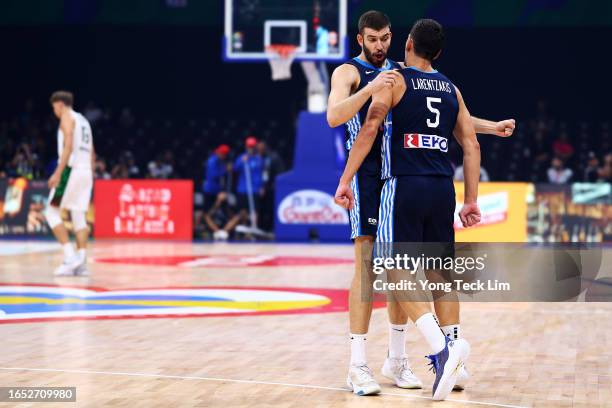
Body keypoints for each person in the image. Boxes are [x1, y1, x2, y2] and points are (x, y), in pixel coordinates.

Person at [326, 10, 515, 396]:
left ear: (397, 38)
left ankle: (397, 359)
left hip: (398, 175)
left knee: (404, 268)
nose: (379, 46)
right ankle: (357, 365)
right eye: (372, 40)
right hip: (365, 174)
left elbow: (447, 115)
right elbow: (334, 116)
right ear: (359, 39)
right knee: (368, 266)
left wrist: (491, 126)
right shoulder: (347, 72)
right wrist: (369, 87)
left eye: (384, 39)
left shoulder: (402, 72)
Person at [45, 91, 94, 276]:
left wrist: (58, 172)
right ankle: (81, 264)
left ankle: (70, 257)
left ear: (60, 104)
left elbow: (68, 145)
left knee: (51, 212)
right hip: (85, 172)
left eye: (54, 107)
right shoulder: (84, 121)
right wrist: (89, 174)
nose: (54, 111)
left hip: (69, 171)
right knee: (79, 216)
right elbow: (92, 151)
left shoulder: (67, 116)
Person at [234, 136, 263, 226]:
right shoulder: (242, 158)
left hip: (254, 189)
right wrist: (242, 162)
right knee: (242, 210)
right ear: (246, 147)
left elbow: (260, 174)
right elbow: (235, 169)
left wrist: (261, 186)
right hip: (243, 189)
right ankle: (244, 226)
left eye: (252, 146)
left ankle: (254, 226)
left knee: (254, 210)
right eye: (249, 146)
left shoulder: (259, 159)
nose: (251, 148)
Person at [203, 144, 231, 214]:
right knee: (208, 211)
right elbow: (213, 175)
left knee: (221, 209)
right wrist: (225, 170)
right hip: (210, 190)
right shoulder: (212, 161)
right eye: (224, 154)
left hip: (217, 190)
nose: (225, 157)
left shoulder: (221, 161)